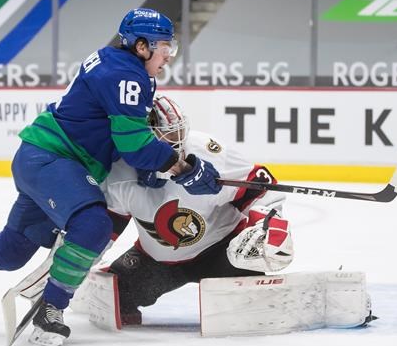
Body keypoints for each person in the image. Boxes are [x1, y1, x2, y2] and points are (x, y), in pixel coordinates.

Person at [0, 8, 223, 346]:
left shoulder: (123, 66)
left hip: (44, 158)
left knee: (13, 249)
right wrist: (184, 168)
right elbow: (134, 145)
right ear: (141, 46)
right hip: (54, 159)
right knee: (93, 225)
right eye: (164, 47)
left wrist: (154, 167)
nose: (169, 55)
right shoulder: (127, 76)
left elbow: (119, 137)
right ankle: (51, 309)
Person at [100, 94, 293, 325]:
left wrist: (266, 223)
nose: (178, 143)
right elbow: (105, 227)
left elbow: (260, 189)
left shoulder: (207, 151)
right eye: (168, 135)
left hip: (222, 251)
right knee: (114, 295)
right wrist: (79, 256)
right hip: (157, 263)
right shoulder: (119, 173)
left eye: (179, 132)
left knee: (252, 305)